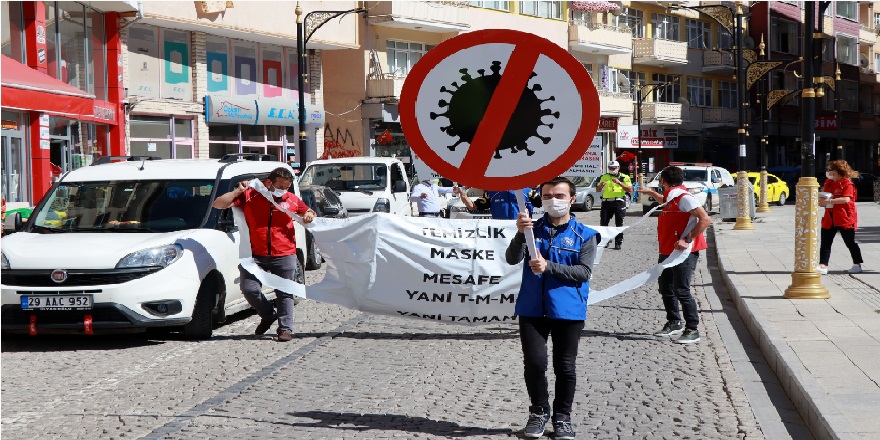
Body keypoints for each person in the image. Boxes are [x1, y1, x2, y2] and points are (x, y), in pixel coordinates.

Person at [505, 176, 599, 439]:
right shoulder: (531, 228)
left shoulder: (585, 235)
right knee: (535, 364)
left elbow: (583, 272)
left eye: (559, 196)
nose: (552, 201)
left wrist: (550, 267)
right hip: (532, 309)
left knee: (565, 366)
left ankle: (562, 416)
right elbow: (512, 258)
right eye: (547, 196)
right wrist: (520, 233)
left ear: (571, 199)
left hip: (568, 311)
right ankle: (538, 411)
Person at [212, 167, 316, 342]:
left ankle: (285, 329)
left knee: (285, 293)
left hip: (284, 253)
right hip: (255, 255)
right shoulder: (251, 196)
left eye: (287, 186)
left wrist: (309, 215)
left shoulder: (291, 199)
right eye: (280, 186)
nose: (284, 190)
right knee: (249, 288)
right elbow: (219, 204)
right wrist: (238, 190)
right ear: (269, 183)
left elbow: (308, 211)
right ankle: (268, 315)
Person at [637, 166, 712, 344]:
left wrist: (687, 238)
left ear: (663, 181)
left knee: (681, 290)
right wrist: (649, 192)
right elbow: (663, 199)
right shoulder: (671, 197)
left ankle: (692, 328)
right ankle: (674, 322)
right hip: (667, 251)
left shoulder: (684, 198)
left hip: (684, 252)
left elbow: (705, 219)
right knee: (665, 288)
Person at [818, 160, 863, 274]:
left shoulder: (847, 184)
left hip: (844, 217)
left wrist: (829, 200)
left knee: (850, 242)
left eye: (830, 170)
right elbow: (824, 195)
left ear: (836, 171)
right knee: (825, 242)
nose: (828, 172)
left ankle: (857, 264)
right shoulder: (828, 182)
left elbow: (846, 199)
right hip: (829, 216)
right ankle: (823, 265)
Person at [596, 160, 632, 250]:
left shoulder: (624, 177)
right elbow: (597, 190)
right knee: (604, 223)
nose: (612, 169)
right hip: (606, 202)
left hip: (619, 202)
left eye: (614, 168)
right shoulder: (604, 177)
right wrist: (600, 186)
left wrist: (619, 183)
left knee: (619, 223)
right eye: (610, 168)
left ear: (618, 168)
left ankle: (618, 242)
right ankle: (606, 240)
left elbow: (629, 189)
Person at [458, 187, 533, 220]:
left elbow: (540, 204)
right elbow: (472, 206)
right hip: (501, 232)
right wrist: (462, 194)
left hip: (522, 231)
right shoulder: (492, 193)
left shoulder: (528, 191)